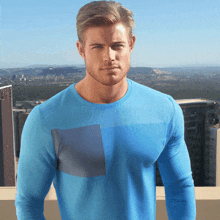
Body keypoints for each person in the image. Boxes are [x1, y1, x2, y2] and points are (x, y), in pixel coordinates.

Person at [15, 1, 196, 219]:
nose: (109, 56)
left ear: (131, 44)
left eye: (117, 45)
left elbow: (180, 187)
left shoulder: (164, 110)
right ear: (81, 50)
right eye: (97, 46)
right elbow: (29, 202)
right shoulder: (46, 119)